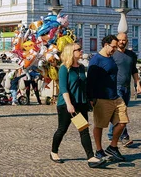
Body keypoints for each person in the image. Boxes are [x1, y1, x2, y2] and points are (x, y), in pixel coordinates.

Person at [50, 43, 106, 167]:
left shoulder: (81, 67)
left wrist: (89, 99)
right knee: (62, 129)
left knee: (83, 130)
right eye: (78, 50)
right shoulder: (65, 68)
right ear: (71, 52)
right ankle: (54, 152)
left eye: (81, 49)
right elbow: (63, 88)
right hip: (66, 105)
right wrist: (69, 104)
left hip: (81, 104)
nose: (81, 51)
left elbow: (84, 85)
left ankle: (91, 158)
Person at [87, 34, 129, 162]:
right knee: (99, 125)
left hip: (115, 97)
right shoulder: (96, 61)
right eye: (113, 47)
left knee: (123, 122)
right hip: (102, 98)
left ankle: (113, 146)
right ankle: (99, 150)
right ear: (106, 45)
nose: (115, 49)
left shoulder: (111, 57)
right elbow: (90, 82)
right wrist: (91, 99)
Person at [108, 32, 141, 146]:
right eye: (120, 40)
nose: (122, 42)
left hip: (127, 87)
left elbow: (134, 71)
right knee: (121, 112)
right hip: (116, 86)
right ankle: (124, 136)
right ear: (116, 40)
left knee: (118, 111)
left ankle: (111, 134)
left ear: (127, 41)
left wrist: (138, 84)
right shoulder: (112, 54)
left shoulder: (131, 55)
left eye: (124, 40)